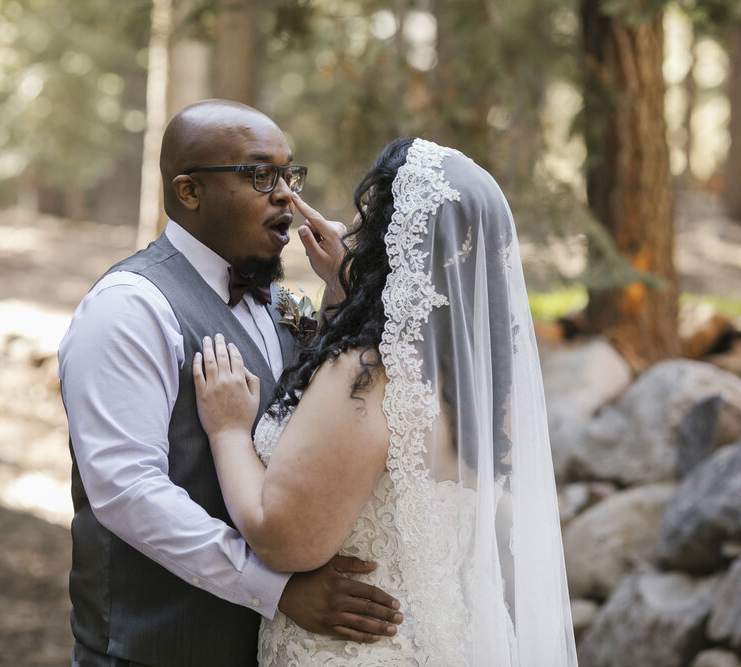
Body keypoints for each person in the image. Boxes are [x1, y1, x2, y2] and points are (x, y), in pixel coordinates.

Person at [193, 137, 579, 665]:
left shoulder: (366, 376)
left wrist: (228, 431)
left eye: (369, 221)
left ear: (389, 242)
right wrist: (346, 287)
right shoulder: (486, 376)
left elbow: (283, 541)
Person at [58, 100, 403, 667]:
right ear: (189, 192)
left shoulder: (280, 302)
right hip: (152, 650)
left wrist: (343, 291)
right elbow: (126, 491)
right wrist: (277, 591)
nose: (288, 197)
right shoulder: (128, 310)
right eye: (259, 174)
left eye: (290, 175)